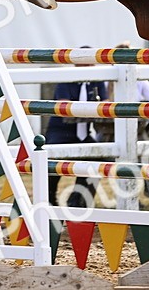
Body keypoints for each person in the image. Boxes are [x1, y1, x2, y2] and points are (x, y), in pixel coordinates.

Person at [43, 51, 109, 209]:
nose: (88, 67)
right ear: (76, 64)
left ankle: (78, 200)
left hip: (84, 133)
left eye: (91, 64)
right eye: (85, 64)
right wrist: (93, 109)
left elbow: (106, 101)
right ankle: (49, 198)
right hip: (60, 131)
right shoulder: (66, 79)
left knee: (100, 158)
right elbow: (64, 104)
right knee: (52, 161)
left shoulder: (97, 81)